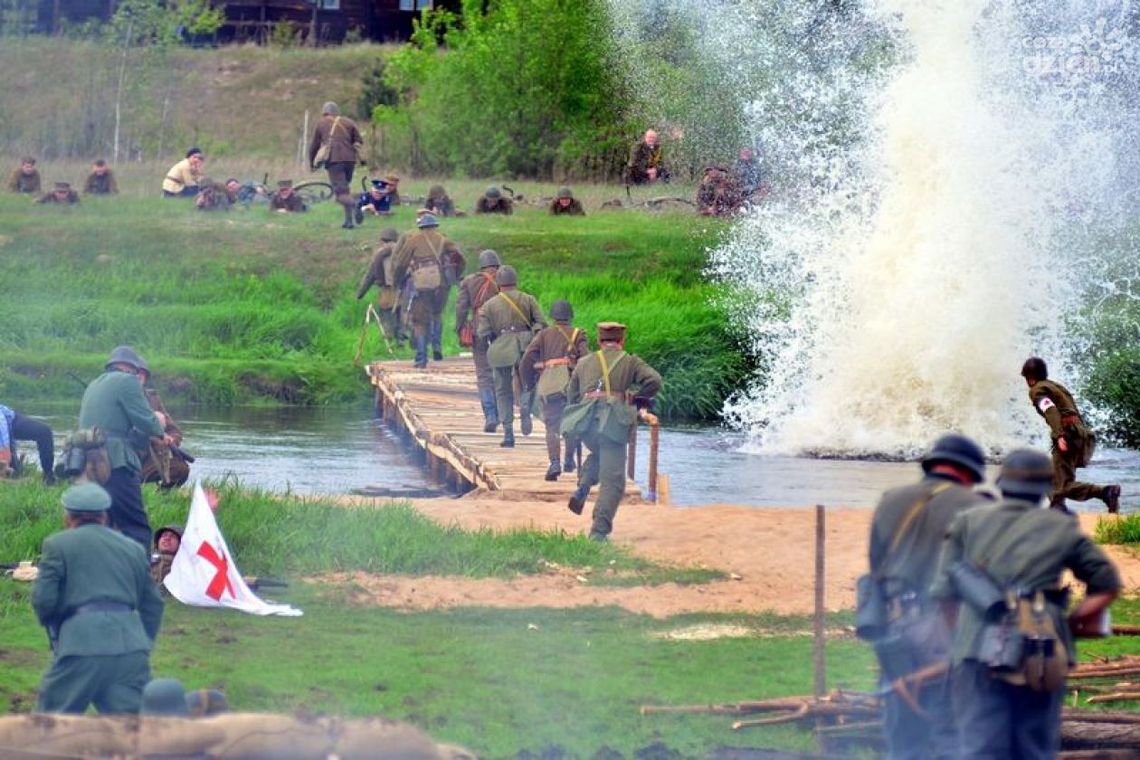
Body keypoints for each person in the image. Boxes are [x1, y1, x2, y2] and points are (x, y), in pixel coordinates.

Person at [930, 448, 1121, 758]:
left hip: (977, 651)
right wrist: (1070, 625)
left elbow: (944, 593)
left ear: (1002, 484)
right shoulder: (1061, 527)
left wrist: (959, 639)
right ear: (1045, 489)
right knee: (1034, 748)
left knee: (979, 747)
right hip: (1042, 648)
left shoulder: (968, 522)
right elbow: (1106, 583)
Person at [867, 434, 988, 760]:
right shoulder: (978, 508)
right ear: (969, 474)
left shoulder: (890, 500)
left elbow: (876, 567)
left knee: (903, 734)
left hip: (895, 628)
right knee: (952, 732)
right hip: (947, 630)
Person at [32, 482, 164, 714]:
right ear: (104, 515)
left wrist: (60, 633)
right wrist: (142, 641)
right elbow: (153, 604)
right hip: (130, 648)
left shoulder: (57, 544)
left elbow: (44, 601)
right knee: (134, 731)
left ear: (68, 517)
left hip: (81, 647)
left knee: (49, 726)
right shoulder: (133, 548)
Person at [564, 322, 661, 541]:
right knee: (614, 482)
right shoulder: (629, 361)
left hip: (587, 424)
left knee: (599, 454)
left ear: (598, 341)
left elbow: (571, 397)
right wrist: (636, 399)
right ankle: (599, 531)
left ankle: (583, 486)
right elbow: (654, 380)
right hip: (612, 425)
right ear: (621, 341)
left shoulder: (583, 362)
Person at [78, 346, 171, 550]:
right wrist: (160, 425)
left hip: (87, 464)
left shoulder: (94, 384)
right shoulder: (128, 381)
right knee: (136, 527)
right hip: (115, 463)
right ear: (132, 368)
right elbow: (147, 422)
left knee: (103, 523)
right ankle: (139, 578)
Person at [1020, 357, 1120, 513]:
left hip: (1068, 434)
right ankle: (1057, 508)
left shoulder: (1037, 389)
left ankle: (1105, 492)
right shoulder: (1056, 386)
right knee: (1052, 476)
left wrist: (1060, 435)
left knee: (1062, 486)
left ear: (1030, 378)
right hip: (1080, 433)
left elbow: (1050, 411)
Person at [476, 265, 545, 447]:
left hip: (501, 349)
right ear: (515, 282)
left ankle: (508, 433)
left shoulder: (488, 306)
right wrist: (532, 336)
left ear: (498, 284)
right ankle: (525, 408)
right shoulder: (528, 299)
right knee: (528, 384)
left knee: (502, 390)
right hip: (526, 346)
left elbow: (483, 333)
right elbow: (541, 323)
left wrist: (496, 340)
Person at [520, 300, 589, 480]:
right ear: (570, 316)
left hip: (550, 386)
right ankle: (568, 460)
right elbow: (586, 360)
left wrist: (529, 382)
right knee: (572, 424)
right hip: (572, 387)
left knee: (552, 427)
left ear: (553, 317)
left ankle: (554, 463)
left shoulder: (543, 335)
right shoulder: (578, 334)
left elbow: (527, 358)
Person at [391, 214, 464, 367]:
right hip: (441, 284)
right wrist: (457, 276)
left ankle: (421, 358)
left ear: (421, 226)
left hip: (421, 285)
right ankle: (437, 347)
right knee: (437, 314)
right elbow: (461, 258)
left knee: (419, 321)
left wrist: (397, 281)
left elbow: (401, 263)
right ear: (434, 226)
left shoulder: (413, 240)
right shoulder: (444, 239)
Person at [456, 250, 504, 431]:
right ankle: (501, 412)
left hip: (478, 328)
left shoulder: (469, 281)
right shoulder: (504, 277)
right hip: (502, 329)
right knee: (501, 372)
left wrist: (460, 327)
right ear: (497, 264)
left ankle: (490, 415)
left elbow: (461, 308)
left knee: (484, 373)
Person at [308, 101, 363, 230]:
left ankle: (355, 205)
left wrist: (312, 163)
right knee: (345, 190)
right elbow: (359, 141)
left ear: (324, 112)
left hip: (334, 160)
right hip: (350, 160)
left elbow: (314, 146)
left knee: (340, 193)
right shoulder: (348, 122)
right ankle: (348, 222)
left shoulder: (321, 123)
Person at [135, 363, 190, 489]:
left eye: (142, 373)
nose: (139, 376)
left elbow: (174, 430)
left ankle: (162, 497)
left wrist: (170, 440)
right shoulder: (121, 397)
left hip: (151, 457)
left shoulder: (153, 399)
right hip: (128, 457)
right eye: (136, 372)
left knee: (180, 469)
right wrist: (155, 436)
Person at [356, 227, 406, 349]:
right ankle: (401, 341)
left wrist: (360, 294)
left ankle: (388, 342)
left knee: (387, 315)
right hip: (403, 289)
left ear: (383, 239)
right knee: (401, 315)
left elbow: (370, 276)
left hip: (387, 290)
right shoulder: (403, 252)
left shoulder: (380, 254)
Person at [0, 403, 56, 485]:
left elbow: (5, 451)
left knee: (44, 432)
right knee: (11, 470)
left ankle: (48, 477)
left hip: (10, 420)